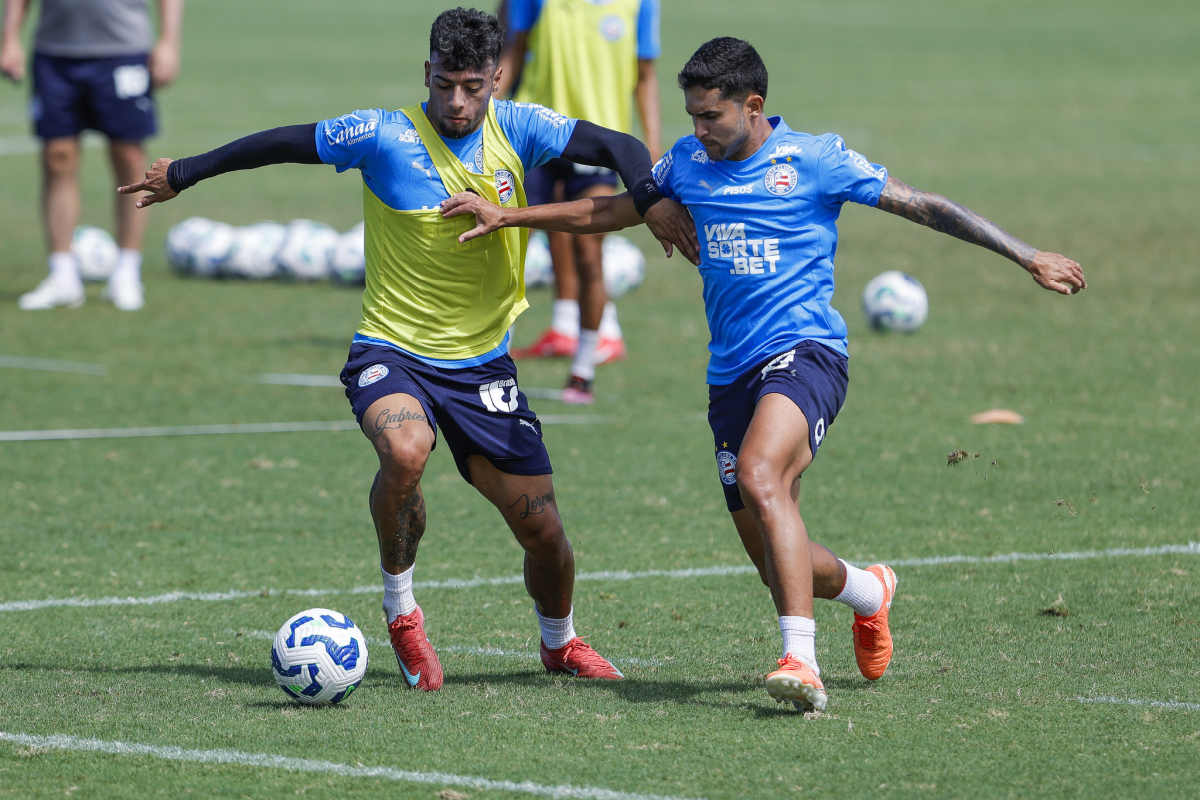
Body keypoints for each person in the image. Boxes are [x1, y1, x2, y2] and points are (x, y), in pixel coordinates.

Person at [441, 36, 1087, 711]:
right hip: (730, 378)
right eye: (691, 116)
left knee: (759, 473)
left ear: (753, 107)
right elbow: (609, 210)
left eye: (710, 117)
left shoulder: (815, 160)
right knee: (776, 559)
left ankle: (799, 662)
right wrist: (510, 216)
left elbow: (926, 205)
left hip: (806, 355)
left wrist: (1027, 254)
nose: (698, 130)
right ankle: (870, 591)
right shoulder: (687, 163)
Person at [118, 7, 695, 691]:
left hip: (483, 364)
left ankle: (559, 643)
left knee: (544, 534)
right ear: (426, 73)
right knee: (404, 450)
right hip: (390, 349)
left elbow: (617, 142)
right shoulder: (383, 134)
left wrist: (651, 195)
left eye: (473, 87)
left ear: (496, 80)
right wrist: (183, 171)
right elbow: (279, 143)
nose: (457, 101)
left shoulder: (520, 128)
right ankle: (402, 613)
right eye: (445, 83)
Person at [497, 0, 662, 404]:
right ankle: (495, 365)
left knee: (590, 251)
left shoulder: (640, 3)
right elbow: (514, 50)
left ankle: (583, 370)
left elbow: (645, 75)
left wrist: (653, 151)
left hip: (598, 142)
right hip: (534, 137)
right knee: (506, 251)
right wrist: (482, 115)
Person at [3, 0, 183, 311]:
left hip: (124, 49)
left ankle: (127, 272)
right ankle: (62, 275)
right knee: (57, 156)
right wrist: (10, 39)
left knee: (129, 156)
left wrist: (169, 41)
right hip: (56, 53)